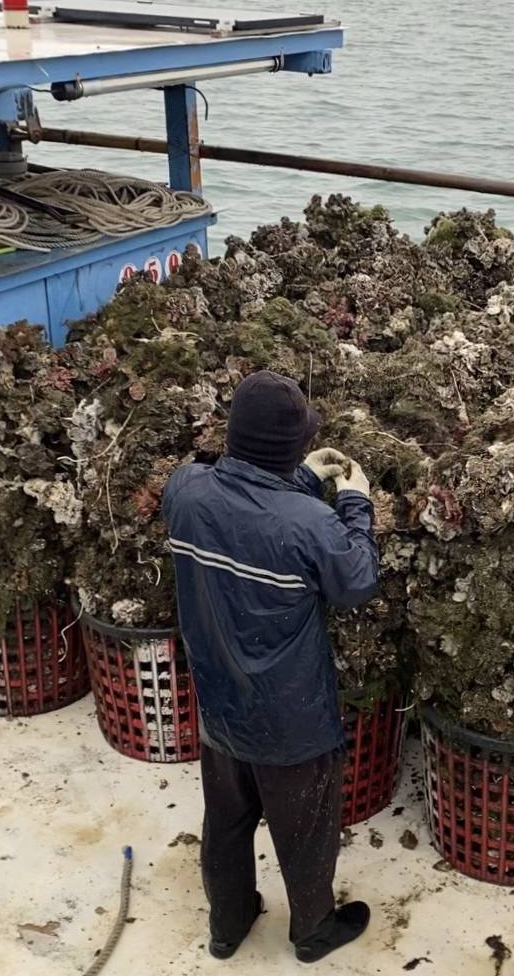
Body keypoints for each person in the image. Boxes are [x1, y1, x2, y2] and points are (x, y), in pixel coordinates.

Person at [162, 370, 379, 964]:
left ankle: (227, 926)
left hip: (219, 706)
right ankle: (313, 930)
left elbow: (245, 511)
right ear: (289, 447)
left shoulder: (184, 489)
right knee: (304, 832)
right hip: (291, 718)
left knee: (227, 819)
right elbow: (355, 579)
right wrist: (354, 499)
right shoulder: (309, 525)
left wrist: (304, 476)